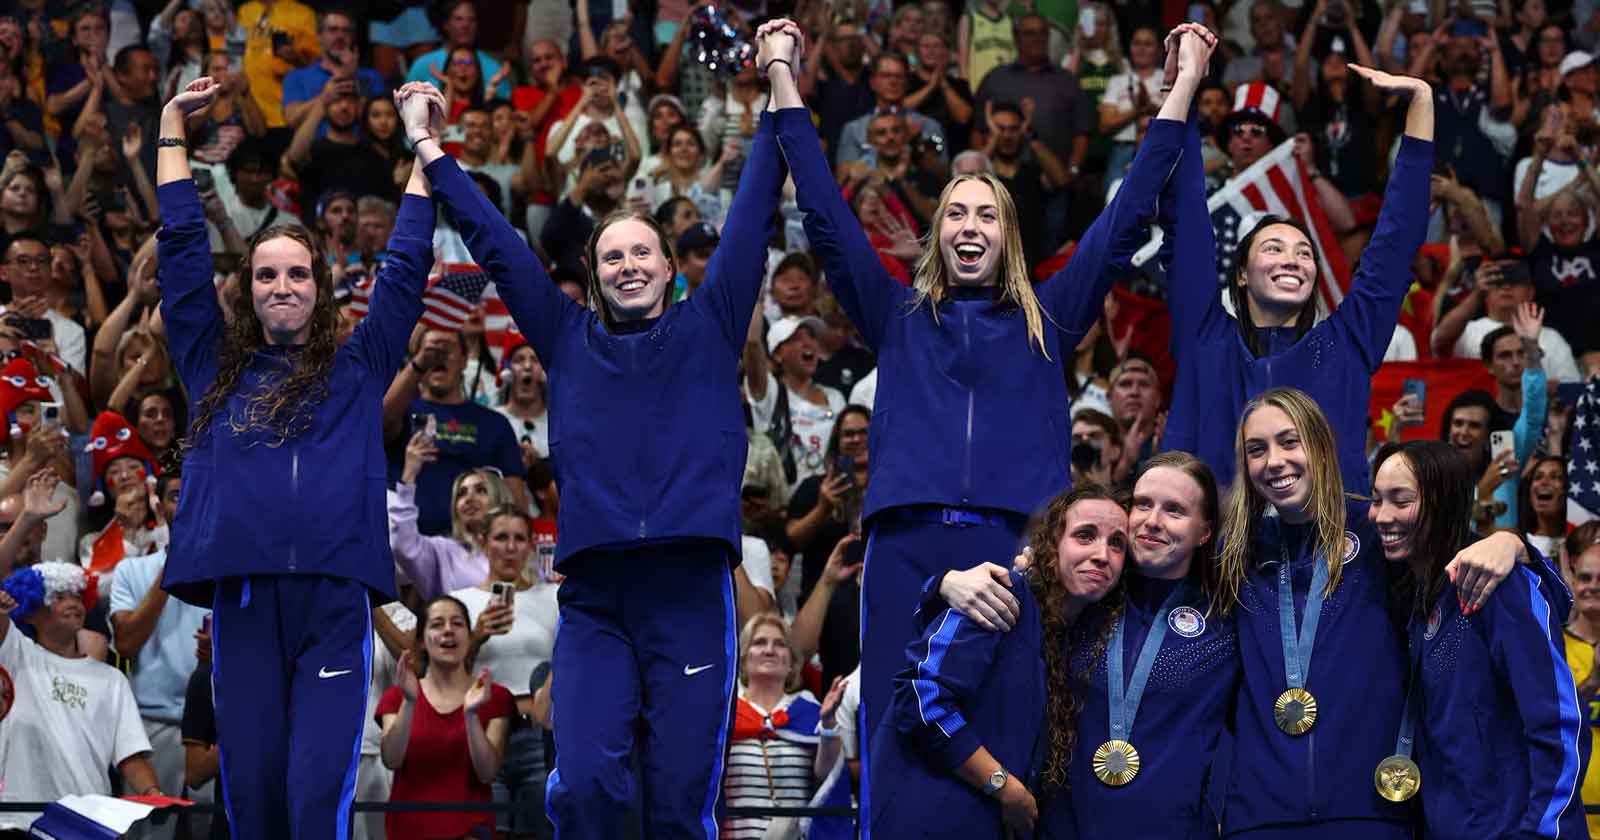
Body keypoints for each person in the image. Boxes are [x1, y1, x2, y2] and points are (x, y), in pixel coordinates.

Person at [775, 20, 1214, 839]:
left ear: (1007, 234)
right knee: (903, 764)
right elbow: (827, 218)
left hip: (1021, 553)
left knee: (1008, 766)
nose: (970, 226)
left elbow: (1123, 219)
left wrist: (1181, 87)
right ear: (938, 234)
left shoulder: (1052, 314)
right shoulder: (897, 315)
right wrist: (783, 83)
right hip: (907, 556)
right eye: (955, 214)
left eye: (987, 214)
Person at [409, 20, 790, 833]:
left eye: (642, 252)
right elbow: (498, 245)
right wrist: (431, 150)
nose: (627, 265)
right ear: (593, 273)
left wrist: (775, 87)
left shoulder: (712, 321)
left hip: (690, 590)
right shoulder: (567, 336)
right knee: (583, 786)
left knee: (683, 796)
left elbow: (755, 213)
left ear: (667, 265)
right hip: (595, 598)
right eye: (611, 256)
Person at [154, 76, 438, 838]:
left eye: (298, 273)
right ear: (246, 289)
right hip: (245, 603)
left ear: (321, 287)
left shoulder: (360, 366)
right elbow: (181, 256)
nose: (283, 286)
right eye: (267, 274)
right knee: (254, 799)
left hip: (335, 604)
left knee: (317, 798)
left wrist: (421, 148)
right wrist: (172, 132)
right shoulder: (211, 367)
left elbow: (407, 271)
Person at [1214, 387, 1526, 838]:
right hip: (1259, 814)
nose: (1274, 461)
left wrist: (1509, 543)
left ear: (1321, 446)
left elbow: (1462, 548)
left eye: (1290, 441)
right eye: (1256, 450)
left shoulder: (1380, 527)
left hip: (1372, 809)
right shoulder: (1236, 554)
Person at [1159, 63, 1434, 491]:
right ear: (1242, 275)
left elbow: (1395, 245)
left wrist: (1420, 105)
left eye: (1304, 253)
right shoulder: (1206, 338)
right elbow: (1187, 221)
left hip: (1333, 553)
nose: (1293, 259)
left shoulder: (1347, 342)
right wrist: (1184, 91)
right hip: (1219, 554)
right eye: (1273, 248)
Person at [877, 485, 1130, 836]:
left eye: (1117, 543)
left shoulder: (1077, 636)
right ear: (1051, 545)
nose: (1103, 554)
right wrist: (1003, 786)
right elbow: (919, 698)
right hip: (932, 821)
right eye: (1085, 535)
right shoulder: (999, 594)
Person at [1370, 440, 1586, 839]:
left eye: (1400, 501)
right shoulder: (1418, 599)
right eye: (1376, 499)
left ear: (1444, 502)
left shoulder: (1499, 586)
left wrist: (1540, 833)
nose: (1381, 516)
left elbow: (1559, 725)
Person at [0, 560, 161, 828]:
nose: (73, 603)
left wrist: (153, 794)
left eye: (77, 595)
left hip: (89, 822)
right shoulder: (17, 655)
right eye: (59, 597)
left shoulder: (113, 680)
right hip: (21, 819)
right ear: (30, 611)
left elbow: (129, 754)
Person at [449, 506, 559, 839]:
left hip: (540, 735)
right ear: (483, 542)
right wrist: (478, 634)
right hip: (483, 732)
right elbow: (443, 675)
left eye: (519, 539)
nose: (510, 547)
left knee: (541, 830)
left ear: (529, 545)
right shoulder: (460, 602)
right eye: (501, 538)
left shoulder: (554, 598)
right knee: (484, 832)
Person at [377, 594, 514, 840]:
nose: (448, 631)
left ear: (470, 635)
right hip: (408, 829)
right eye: (437, 624)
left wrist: (471, 715)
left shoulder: (496, 696)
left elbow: (487, 772)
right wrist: (410, 701)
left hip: (471, 831)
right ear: (421, 641)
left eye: (458, 623)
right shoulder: (397, 696)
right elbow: (392, 759)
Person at [722, 613, 840, 839]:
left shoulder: (809, 712)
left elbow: (827, 777)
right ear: (744, 659)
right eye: (759, 643)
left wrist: (827, 723)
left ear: (791, 663)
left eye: (779, 644)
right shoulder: (725, 716)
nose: (769, 650)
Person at [392, 431, 515, 600]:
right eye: (461, 494)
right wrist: (409, 473)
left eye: (481, 490)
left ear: (499, 498)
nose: (469, 499)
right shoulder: (442, 551)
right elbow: (403, 544)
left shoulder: (519, 550)